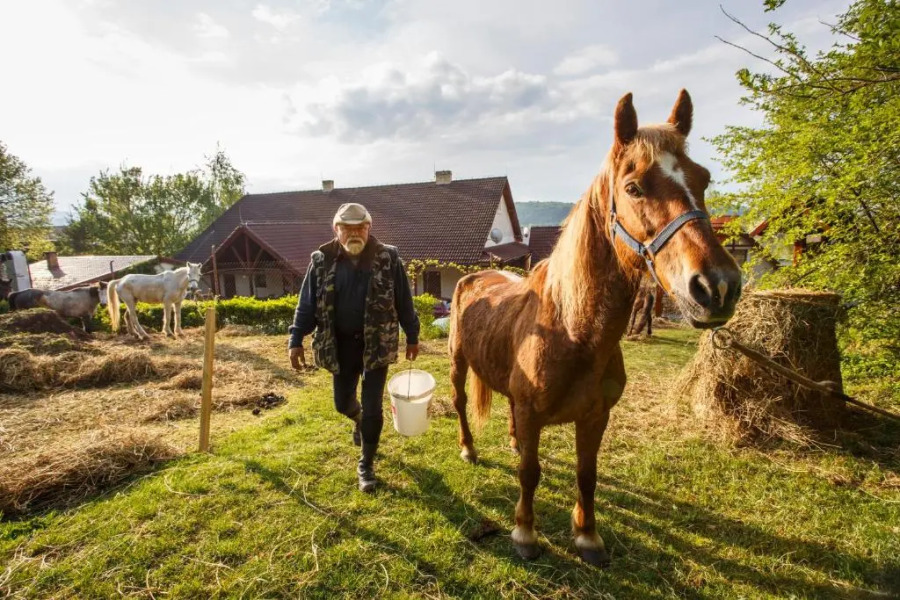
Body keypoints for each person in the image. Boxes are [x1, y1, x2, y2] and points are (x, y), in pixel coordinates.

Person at [288, 202, 420, 492]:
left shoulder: (388, 258)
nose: (354, 233)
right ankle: (358, 420)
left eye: (360, 227)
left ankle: (366, 464)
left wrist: (412, 335)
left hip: (377, 344)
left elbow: (404, 300)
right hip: (340, 345)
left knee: (373, 406)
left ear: (369, 228)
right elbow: (307, 304)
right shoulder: (321, 261)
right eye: (347, 228)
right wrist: (295, 339)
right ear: (336, 231)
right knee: (341, 404)